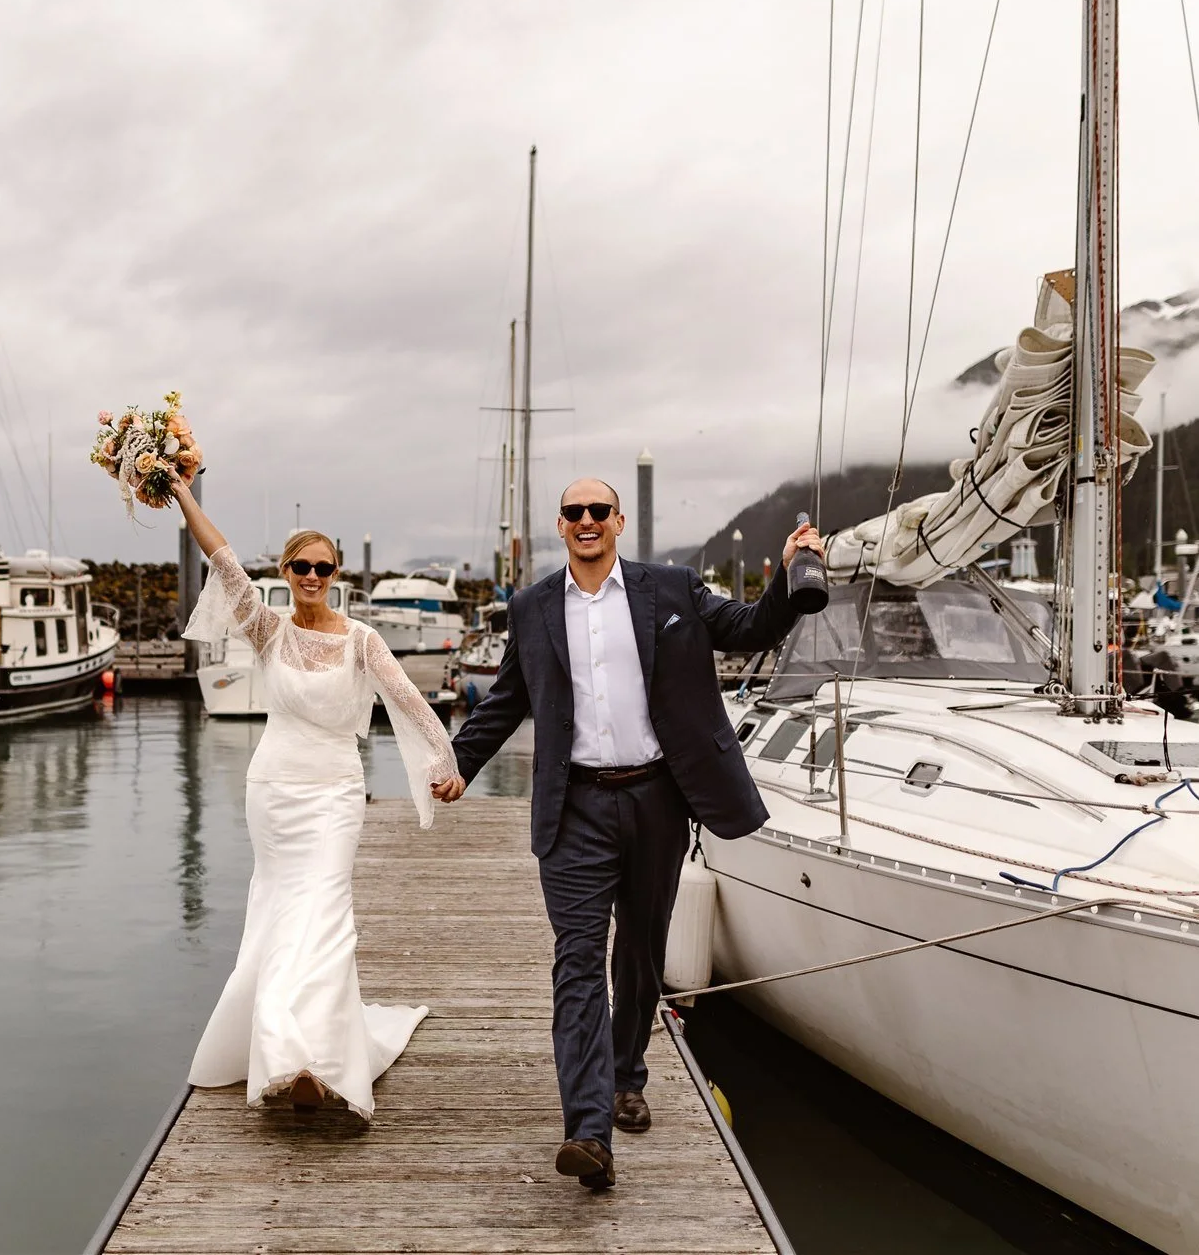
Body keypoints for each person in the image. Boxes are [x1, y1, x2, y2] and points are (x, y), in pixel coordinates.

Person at [451, 478, 823, 1189]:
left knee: (642, 949)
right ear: (560, 526)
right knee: (578, 958)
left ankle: (628, 1075)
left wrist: (784, 571)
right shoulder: (531, 608)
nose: (587, 520)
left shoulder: (673, 589)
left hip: (657, 797)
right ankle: (588, 1129)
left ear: (618, 521)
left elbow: (748, 627)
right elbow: (508, 699)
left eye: (599, 510)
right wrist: (458, 765)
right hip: (574, 806)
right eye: (574, 512)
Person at [173, 473, 467, 1119]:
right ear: (285, 569)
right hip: (273, 791)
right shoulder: (266, 628)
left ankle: (317, 1057)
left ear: (336, 573)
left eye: (323, 567)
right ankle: (288, 1056)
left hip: (336, 793)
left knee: (326, 915)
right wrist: (180, 491)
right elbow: (220, 559)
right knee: (279, 915)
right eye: (301, 566)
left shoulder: (361, 638)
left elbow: (411, 704)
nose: (312, 575)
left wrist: (447, 762)